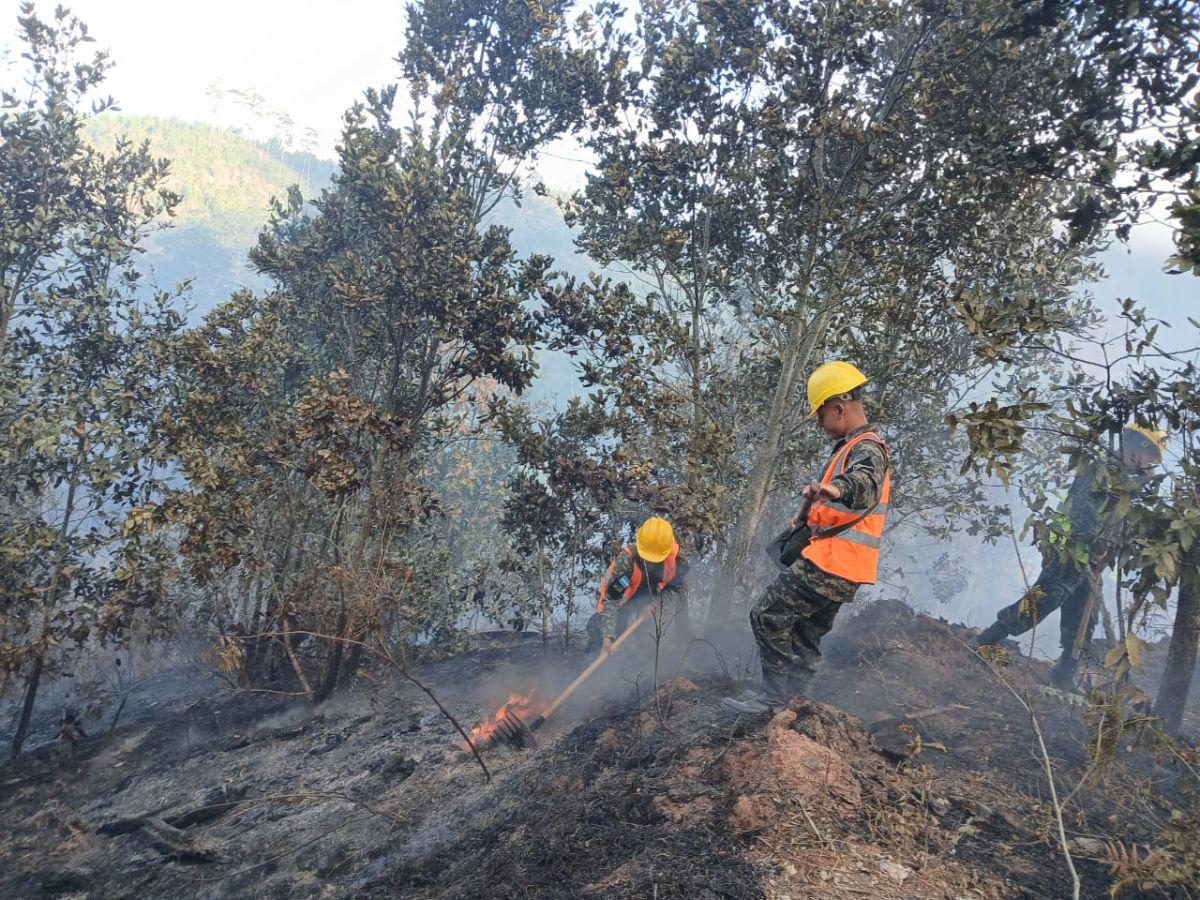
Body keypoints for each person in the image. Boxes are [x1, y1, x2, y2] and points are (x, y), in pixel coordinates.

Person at [723, 361, 891, 714]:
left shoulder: (867, 449)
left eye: (820, 416)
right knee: (805, 633)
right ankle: (793, 704)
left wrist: (832, 488)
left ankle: (772, 701)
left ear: (838, 408)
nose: (819, 423)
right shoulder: (853, 447)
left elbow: (863, 485)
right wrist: (808, 513)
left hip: (832, 561)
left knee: (766, 615)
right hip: (850, 568)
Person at [972, 424, 1165, 688]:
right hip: (1069, 552)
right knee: (1044, 600)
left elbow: (1132, 505)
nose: (1149, 463)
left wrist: (1145, 482)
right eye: (1150, 455)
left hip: (1090, 559)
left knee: (1085, 617)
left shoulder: (1124, 477)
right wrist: (1095, 546)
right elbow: (1082, 514)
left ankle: (1064, 675)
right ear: (1137, 447)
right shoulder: (1102, 470)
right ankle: (984, 641)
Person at [586, 516, 690, 655]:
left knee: (652, 639)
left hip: (654, 597)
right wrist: (607, 636)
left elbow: (674, 587)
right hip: (625, 601)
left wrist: (656, 604)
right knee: (603, 635)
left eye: (655, 558)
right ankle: (591, 662)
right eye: (647, 558)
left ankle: (645, 668)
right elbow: (612, 599)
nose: (650, 563)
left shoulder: (678, 559)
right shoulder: (626, 562)